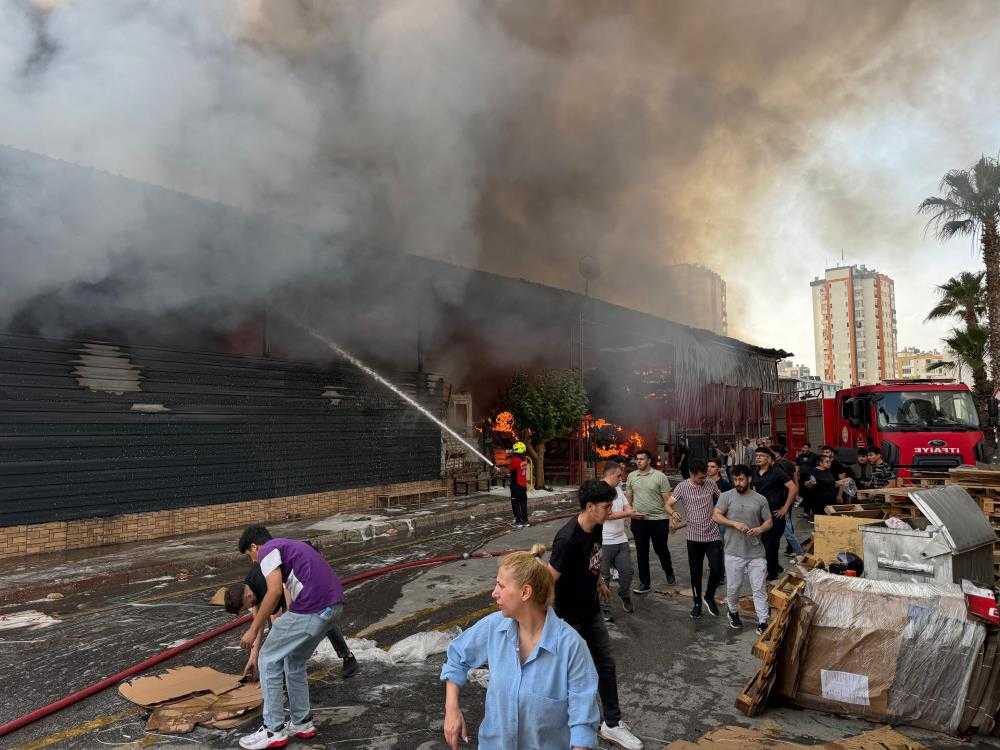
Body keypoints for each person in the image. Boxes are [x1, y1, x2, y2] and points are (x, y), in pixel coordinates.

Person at [440, 545, 600, 750]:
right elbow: (457, 657)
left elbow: (583, 721)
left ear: (525, 592)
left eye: (501, 586)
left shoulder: (571, 647)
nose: (494, 593)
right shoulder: (493, 627)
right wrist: (452, 709)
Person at [549, 480, 644, 750]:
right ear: (590, 507)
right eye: (606, 507)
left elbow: (593, 558)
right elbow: (549, 579)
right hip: (568, 618)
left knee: (605, 665)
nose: (610, 511)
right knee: (567, 673)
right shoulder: (567, 539)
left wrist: (599, 581)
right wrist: (543, 620)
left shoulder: (597, 526)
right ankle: (562, 726)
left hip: (591, 612)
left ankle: (611, 724)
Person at [236, 525, 344, 749]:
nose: (253, 561)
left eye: (249, 555)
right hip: (333, 607)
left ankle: (273, 729)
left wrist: (253, 629)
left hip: (313, 607)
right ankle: (302, 723)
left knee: (268, 658)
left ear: (254, 546)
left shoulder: (268, 550)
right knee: (294, 660)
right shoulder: (292, 545)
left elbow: (274, 590)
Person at [224, 561, 359, 680]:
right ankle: (281, 671)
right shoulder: (250, 587)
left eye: (246, 606)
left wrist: (292, 620)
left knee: (323, 620)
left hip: (295, 585)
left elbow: (285, 605)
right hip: (278, 591)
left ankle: (347, 656)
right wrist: (253, 657)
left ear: (248, 596)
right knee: (277, 632)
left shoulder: (264, 584)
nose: (250, 607)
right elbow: (257, 624)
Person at [713, 465, 773, 634]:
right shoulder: (726, 496)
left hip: (756, 552)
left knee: (759, 588)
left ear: (749, 479)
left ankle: (762, 621)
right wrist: (734, 523)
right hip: (733, 551)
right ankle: (732, 611)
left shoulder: (760, 499)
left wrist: (760, 529)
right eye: (735, 479)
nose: (738, 483)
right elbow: (715, 515)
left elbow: (769, 521)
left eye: (741, 479)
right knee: (734, 587)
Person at [667, 459, 724, 619]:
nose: (703, 480)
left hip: (713, 534)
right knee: (695, 572)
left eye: (705, 476)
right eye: (700, 477)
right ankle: (697, 602)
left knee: (717, 569)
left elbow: (723, 499)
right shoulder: (682, 486)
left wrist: (721, 512)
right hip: (693, 537)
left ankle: (709, 596)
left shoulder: (711, 484)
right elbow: (668, 504)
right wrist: (673, 513)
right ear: (691, 474)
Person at [625, 449, 676, 593]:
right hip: (639, 521)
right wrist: (629, 515)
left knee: (661, 549)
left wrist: (672, 519)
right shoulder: (631, 476)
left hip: (659, 520)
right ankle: (644, 583)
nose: (638, 461)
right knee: (641, 552)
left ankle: (669, 571)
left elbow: (668, 501)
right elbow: (629, 499)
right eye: (637, 459)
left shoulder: (660, 476)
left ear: (649, 461)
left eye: (642, 459)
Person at [750, 448, 796, 581]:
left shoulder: (777, 472)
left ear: (769, 459)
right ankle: (774, 566)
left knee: (772, 544)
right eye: (757, 455)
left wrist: (785, 508)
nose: (758, 458)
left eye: (761, 456)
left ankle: (773, 574)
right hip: (760, 514)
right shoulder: (754, 473)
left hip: (775, 514)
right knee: (764, 543)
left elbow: (793, 488)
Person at [600, 461, 638, 621]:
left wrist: (630, 511)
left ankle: (624, 594)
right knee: (604, 578)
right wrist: (628, 514)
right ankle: (604, 607)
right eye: (618, 475)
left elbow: (627, 506)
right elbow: (606, 515)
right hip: (604, 542)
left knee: (627, 572)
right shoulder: (599, 491)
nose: (621, 479)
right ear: (610, 474)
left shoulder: (617, 489)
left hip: (621, 539)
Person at [773, 445, 804, 558]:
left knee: (786, 525)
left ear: (777, 454)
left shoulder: (778, 466)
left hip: (782, 498)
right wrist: (796, 494)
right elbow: (796, 480)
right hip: (788, 497)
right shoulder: (791, 464)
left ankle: (797, 550)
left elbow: (786, 483)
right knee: (787, 523)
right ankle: (792, 548)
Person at [509, 441, 530, 528]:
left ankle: (518, 521)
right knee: (523, 504)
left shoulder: (515, 460)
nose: (513, 451)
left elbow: (510, 469)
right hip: (523, 486)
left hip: (516, 486)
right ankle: (525, 521)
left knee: (516, 504)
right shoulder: (524, 460)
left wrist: (499, 469)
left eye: (514, 449)